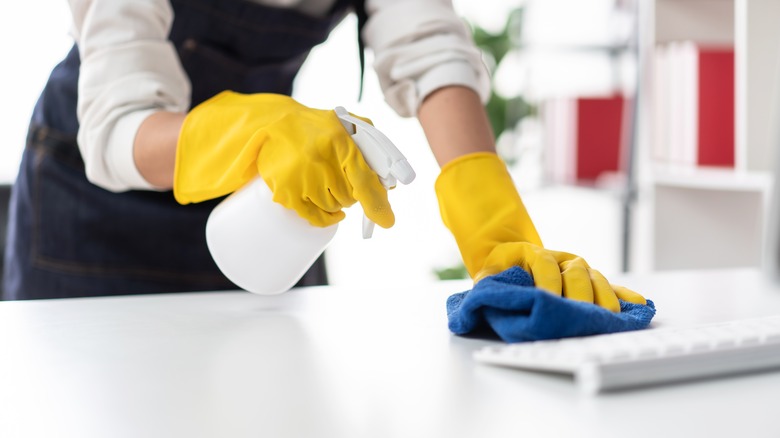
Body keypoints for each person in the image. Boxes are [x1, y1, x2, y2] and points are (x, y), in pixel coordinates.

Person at [2, 0, 645, 311]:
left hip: (265, 204)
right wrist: (246, 131)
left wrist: (491, 223)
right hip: (94, 212)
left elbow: (427, 48)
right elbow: (120, 124)